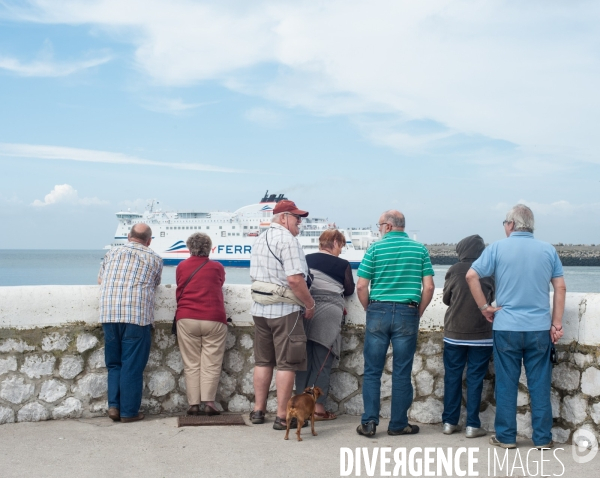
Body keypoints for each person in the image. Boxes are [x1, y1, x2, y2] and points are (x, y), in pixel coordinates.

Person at [466, 204, 566, 449]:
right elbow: (560, 287)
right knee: (540, 384)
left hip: (507, 327)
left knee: (507, 383)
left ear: (510, 224)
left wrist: (484, 307)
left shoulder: (498, 248)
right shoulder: (547, 250)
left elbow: (471, 276)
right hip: (539, 329)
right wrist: (556, 323)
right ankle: (542, 439)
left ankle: (506, 437)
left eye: (504, 223)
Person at [356, 210, 435, 437]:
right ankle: (398, 424)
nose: (379, 229)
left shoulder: (375, 249)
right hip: (407, 312)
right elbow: (428, 287)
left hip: (378, 311)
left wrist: (368, 308)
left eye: (379, 225)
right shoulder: (419, 249)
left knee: (372, 371)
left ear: (388, 227)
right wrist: (417, 311)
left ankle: (369, 423)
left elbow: (361, 286)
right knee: (402, 371)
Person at [249, 199, 315, 430]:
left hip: (260, 309)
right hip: (285, 310)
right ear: (284, 217)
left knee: (263, 361)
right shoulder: (288, 241)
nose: (300, 222)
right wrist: (309, 304)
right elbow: (295, 279)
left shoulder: (260, 239)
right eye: (297, 218)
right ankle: (282, 416)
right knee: (287, 364)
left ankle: (258, 410)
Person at [98, 223, 163, 423]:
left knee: (114, 364)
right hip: (137, 316)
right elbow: (155, 284)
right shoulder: (154, 258)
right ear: (149, 240)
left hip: (109, 314)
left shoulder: (111, 253)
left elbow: (100, 280)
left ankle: (114, 407)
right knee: (132, 365)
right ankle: (128, 412)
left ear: (128, 236)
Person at [295, 229, 355, 421]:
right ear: (336, 242)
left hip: (306, 309)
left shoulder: (305, 259)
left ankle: (299, 406)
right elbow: (349, 290)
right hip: (329, 313)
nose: (341, 251)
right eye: (341, 246)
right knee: (322, 362)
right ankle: (318, 408)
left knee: (303, 361)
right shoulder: (342, 264)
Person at [441, 235, 495, 438]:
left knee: (452, 377)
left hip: (455, 333)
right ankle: (473, 425)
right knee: (475, 379)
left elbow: (447, 298)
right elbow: (492, 298)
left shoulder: (454, 270)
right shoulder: (488, 270)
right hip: (482, 334)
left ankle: (449, 422)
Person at [175, 233, 227, 416]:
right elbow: (219, 284)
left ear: (189, 247)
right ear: (209, 247)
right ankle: (209, 403)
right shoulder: (217, 267)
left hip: (187, 317)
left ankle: (193, 404)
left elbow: (180, 286)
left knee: (191, 363)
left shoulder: (181, 266)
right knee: (211, 362)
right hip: (214, 317)